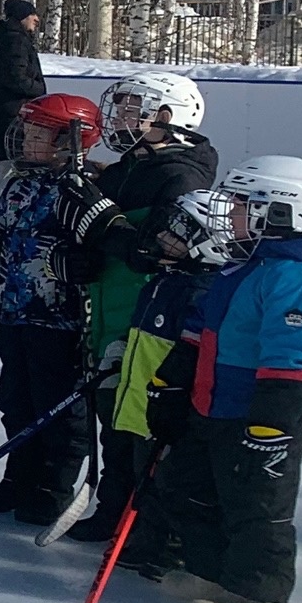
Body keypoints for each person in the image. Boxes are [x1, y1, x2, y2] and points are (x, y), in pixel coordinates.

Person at [134, 157, 302, 603]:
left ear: (279, 213)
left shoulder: (295, 279)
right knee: (193, 490)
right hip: (209, 405)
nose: (226, 216)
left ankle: (255, 594)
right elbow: (197, 333)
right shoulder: (241, 268)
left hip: (256, 414)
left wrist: (273, 423)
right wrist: (171, 386)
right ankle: (211, 571)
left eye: (239, 207)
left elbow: (295, 357)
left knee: (256, 505)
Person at [52, 70, 216, 540]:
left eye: (132, 107)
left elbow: (155, 250)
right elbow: (102, 238)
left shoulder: (182, 176)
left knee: (138, 424)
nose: (119, 116)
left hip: (147, 320)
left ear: (168, 116)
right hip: (109, 309)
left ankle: (142, 524)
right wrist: (78, 256)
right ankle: (112, 509)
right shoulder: (128, 167)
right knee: (111, 414)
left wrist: (102, 224)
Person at [0, 91, 101, 525]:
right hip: (15, 314)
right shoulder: (19, 186)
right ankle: (19, 477)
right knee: (16, 401)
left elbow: (101, 255)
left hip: (58, 321)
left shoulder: (84, 190)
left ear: (71, 140)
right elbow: (0, 248)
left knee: (57, 408)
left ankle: (54, 486)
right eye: (26, 131)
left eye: (39, 133)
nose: (27, 141)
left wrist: (84, 270)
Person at [107, 189, 234, 580]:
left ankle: (166, 546)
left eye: (177, 236)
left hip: (163, 405)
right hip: (140, 400)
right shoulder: (164, 280)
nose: (163, 239)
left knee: (166, 480)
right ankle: (145, 538)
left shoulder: (202, 292)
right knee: (142, 474)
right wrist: (121, 352)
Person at [0, 0, 46, 167]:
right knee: (13, 170)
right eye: (32, 14)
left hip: (6, 114)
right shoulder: (15, 41)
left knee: (10, 169)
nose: (36, 19)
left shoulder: (8, 38)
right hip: (13, 116)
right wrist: (40, 91)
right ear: (22, 17)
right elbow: (16, 79)